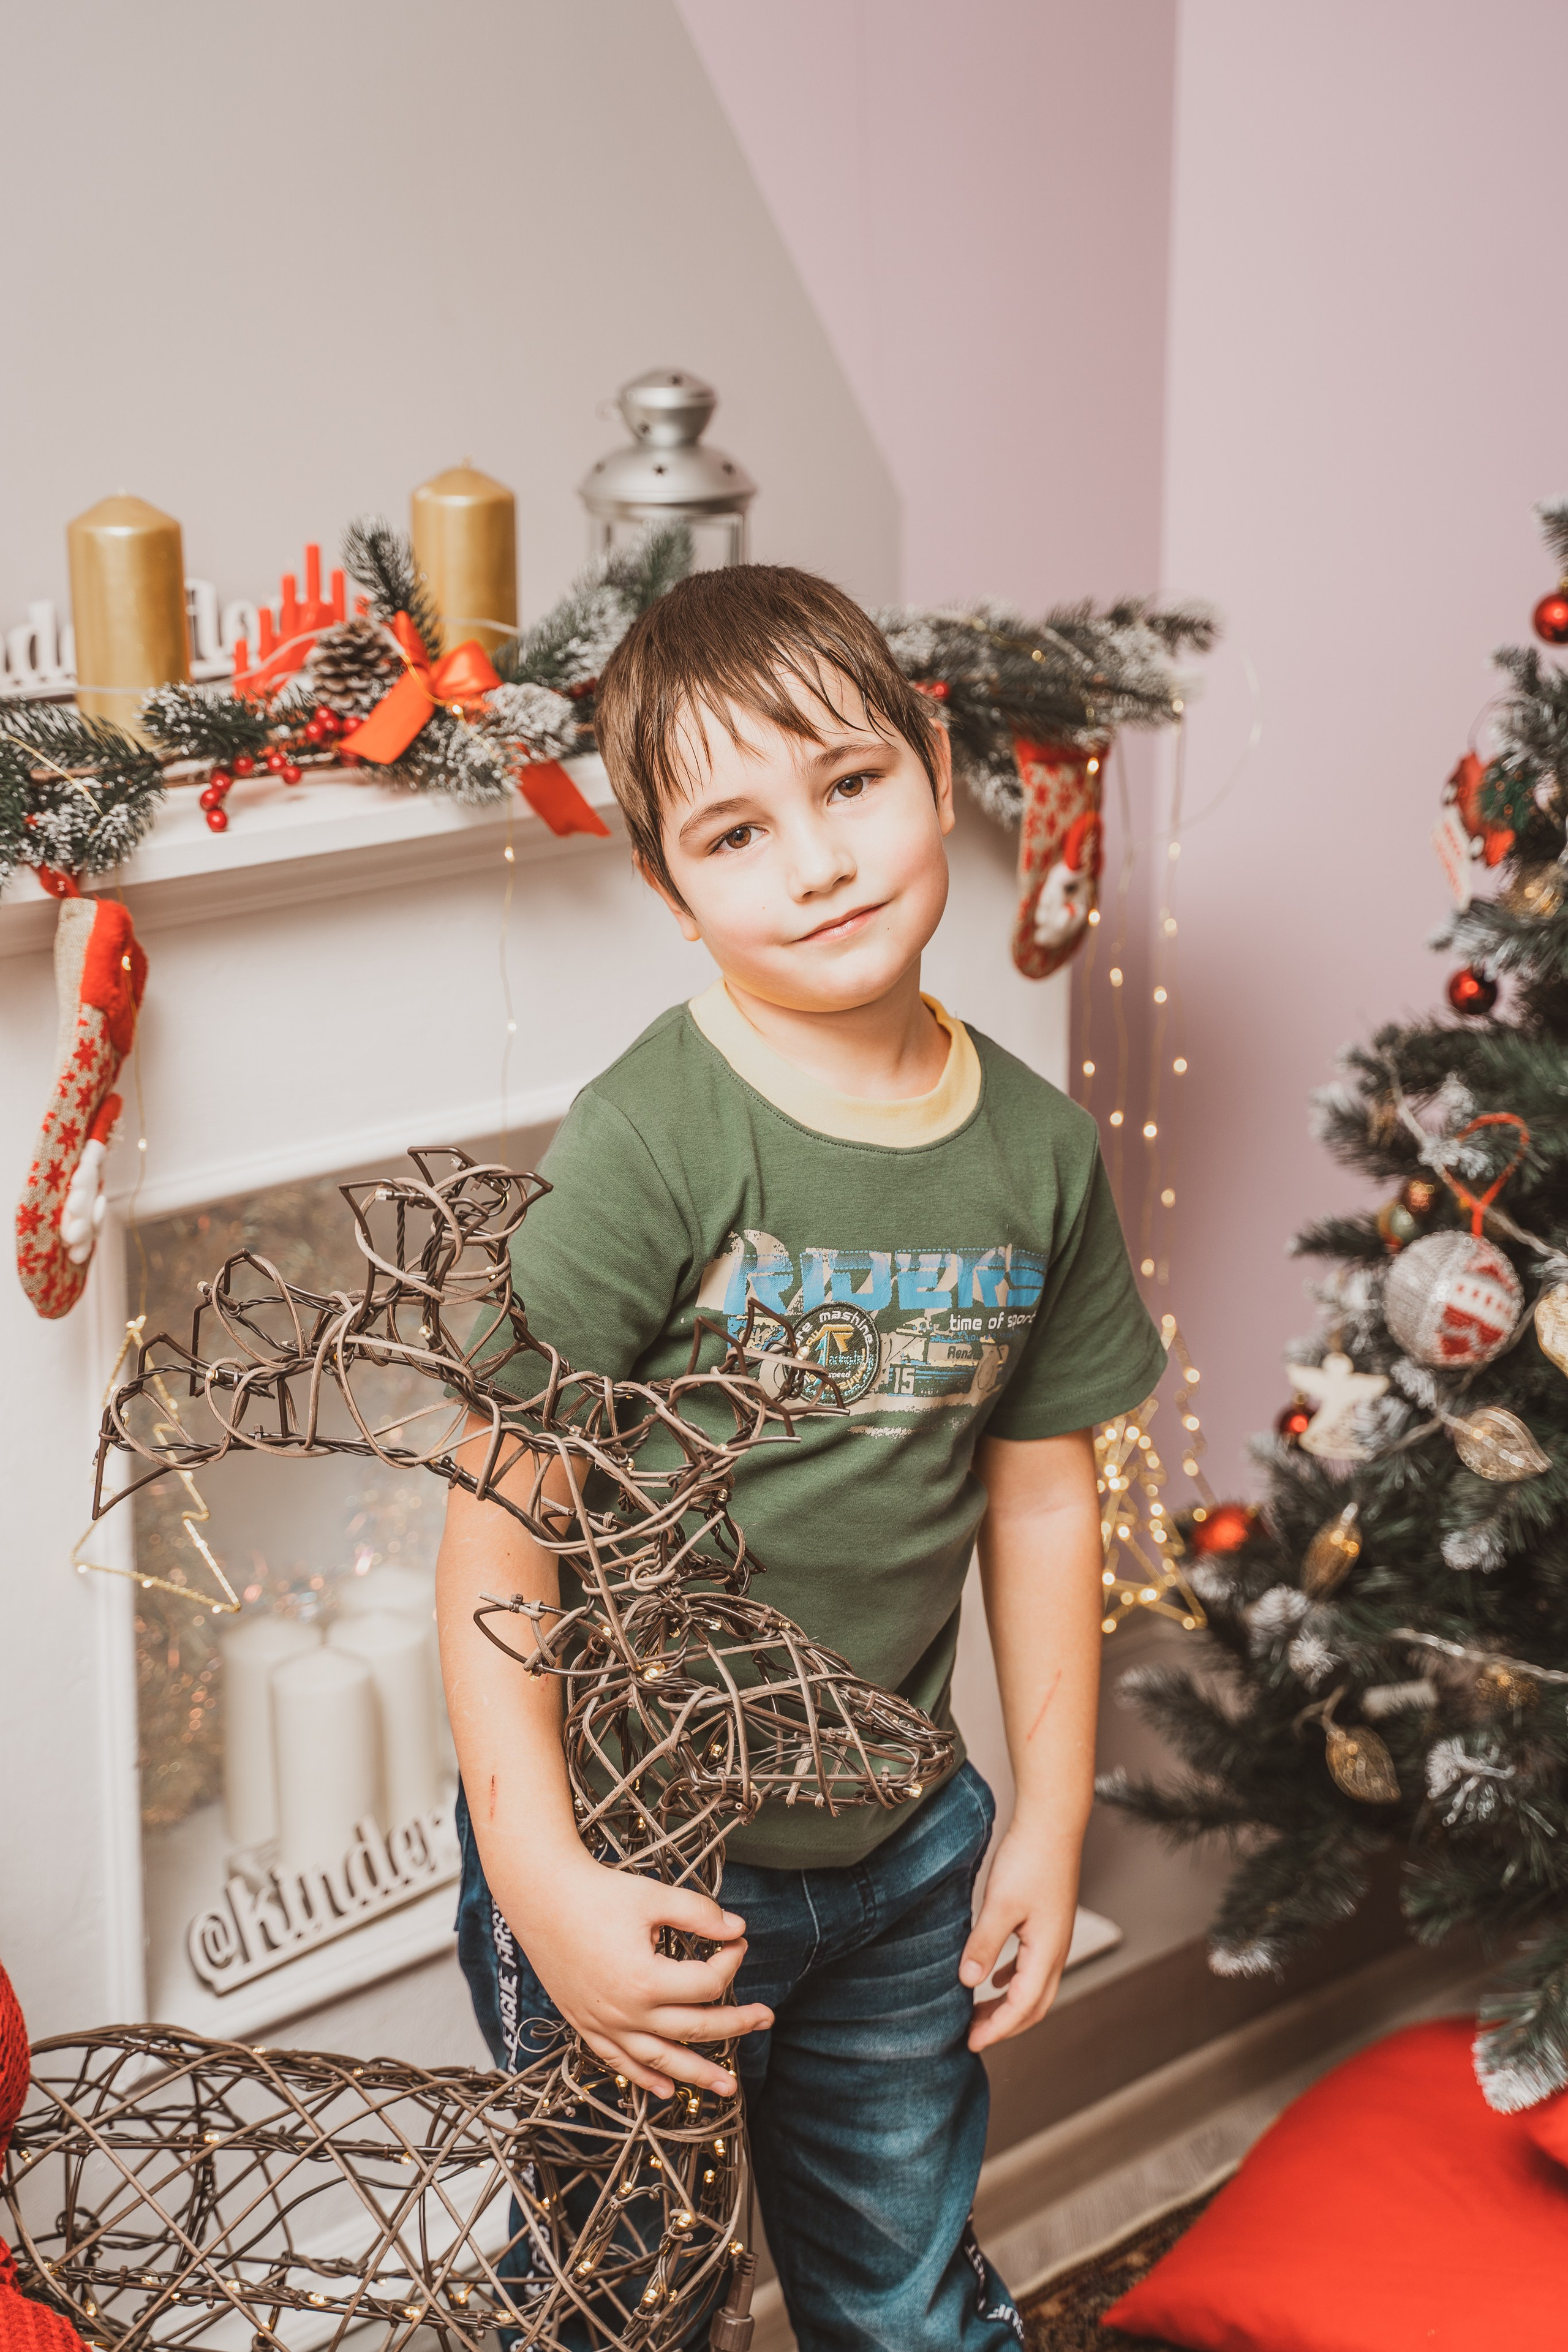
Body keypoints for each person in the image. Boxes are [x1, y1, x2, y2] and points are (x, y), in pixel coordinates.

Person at [435, 565, 1166, 2351]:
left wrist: (1052, 1818)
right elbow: (499, 1525)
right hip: (638, 1861)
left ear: (931, 763)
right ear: (672, 892)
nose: (820, 860)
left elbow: (1045, 1493)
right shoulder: (647, 1143)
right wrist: (543, 1881)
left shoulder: (1045, 1153)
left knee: (904, 2304)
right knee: (627, 2307)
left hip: (910, 1856)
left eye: (850, 785)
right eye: (738, 831)